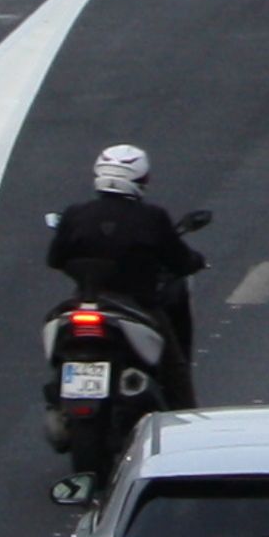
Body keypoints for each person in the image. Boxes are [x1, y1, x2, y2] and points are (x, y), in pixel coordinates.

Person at [46, 144, 205, 410]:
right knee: (173, 368)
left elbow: (55, 258)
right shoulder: (152, 217)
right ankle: (183, 424)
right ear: (141, 180)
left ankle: (58, 393)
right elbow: (179, 260)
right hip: (138, 305)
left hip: (86, 300)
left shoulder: (75, 214)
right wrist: (195, 261)